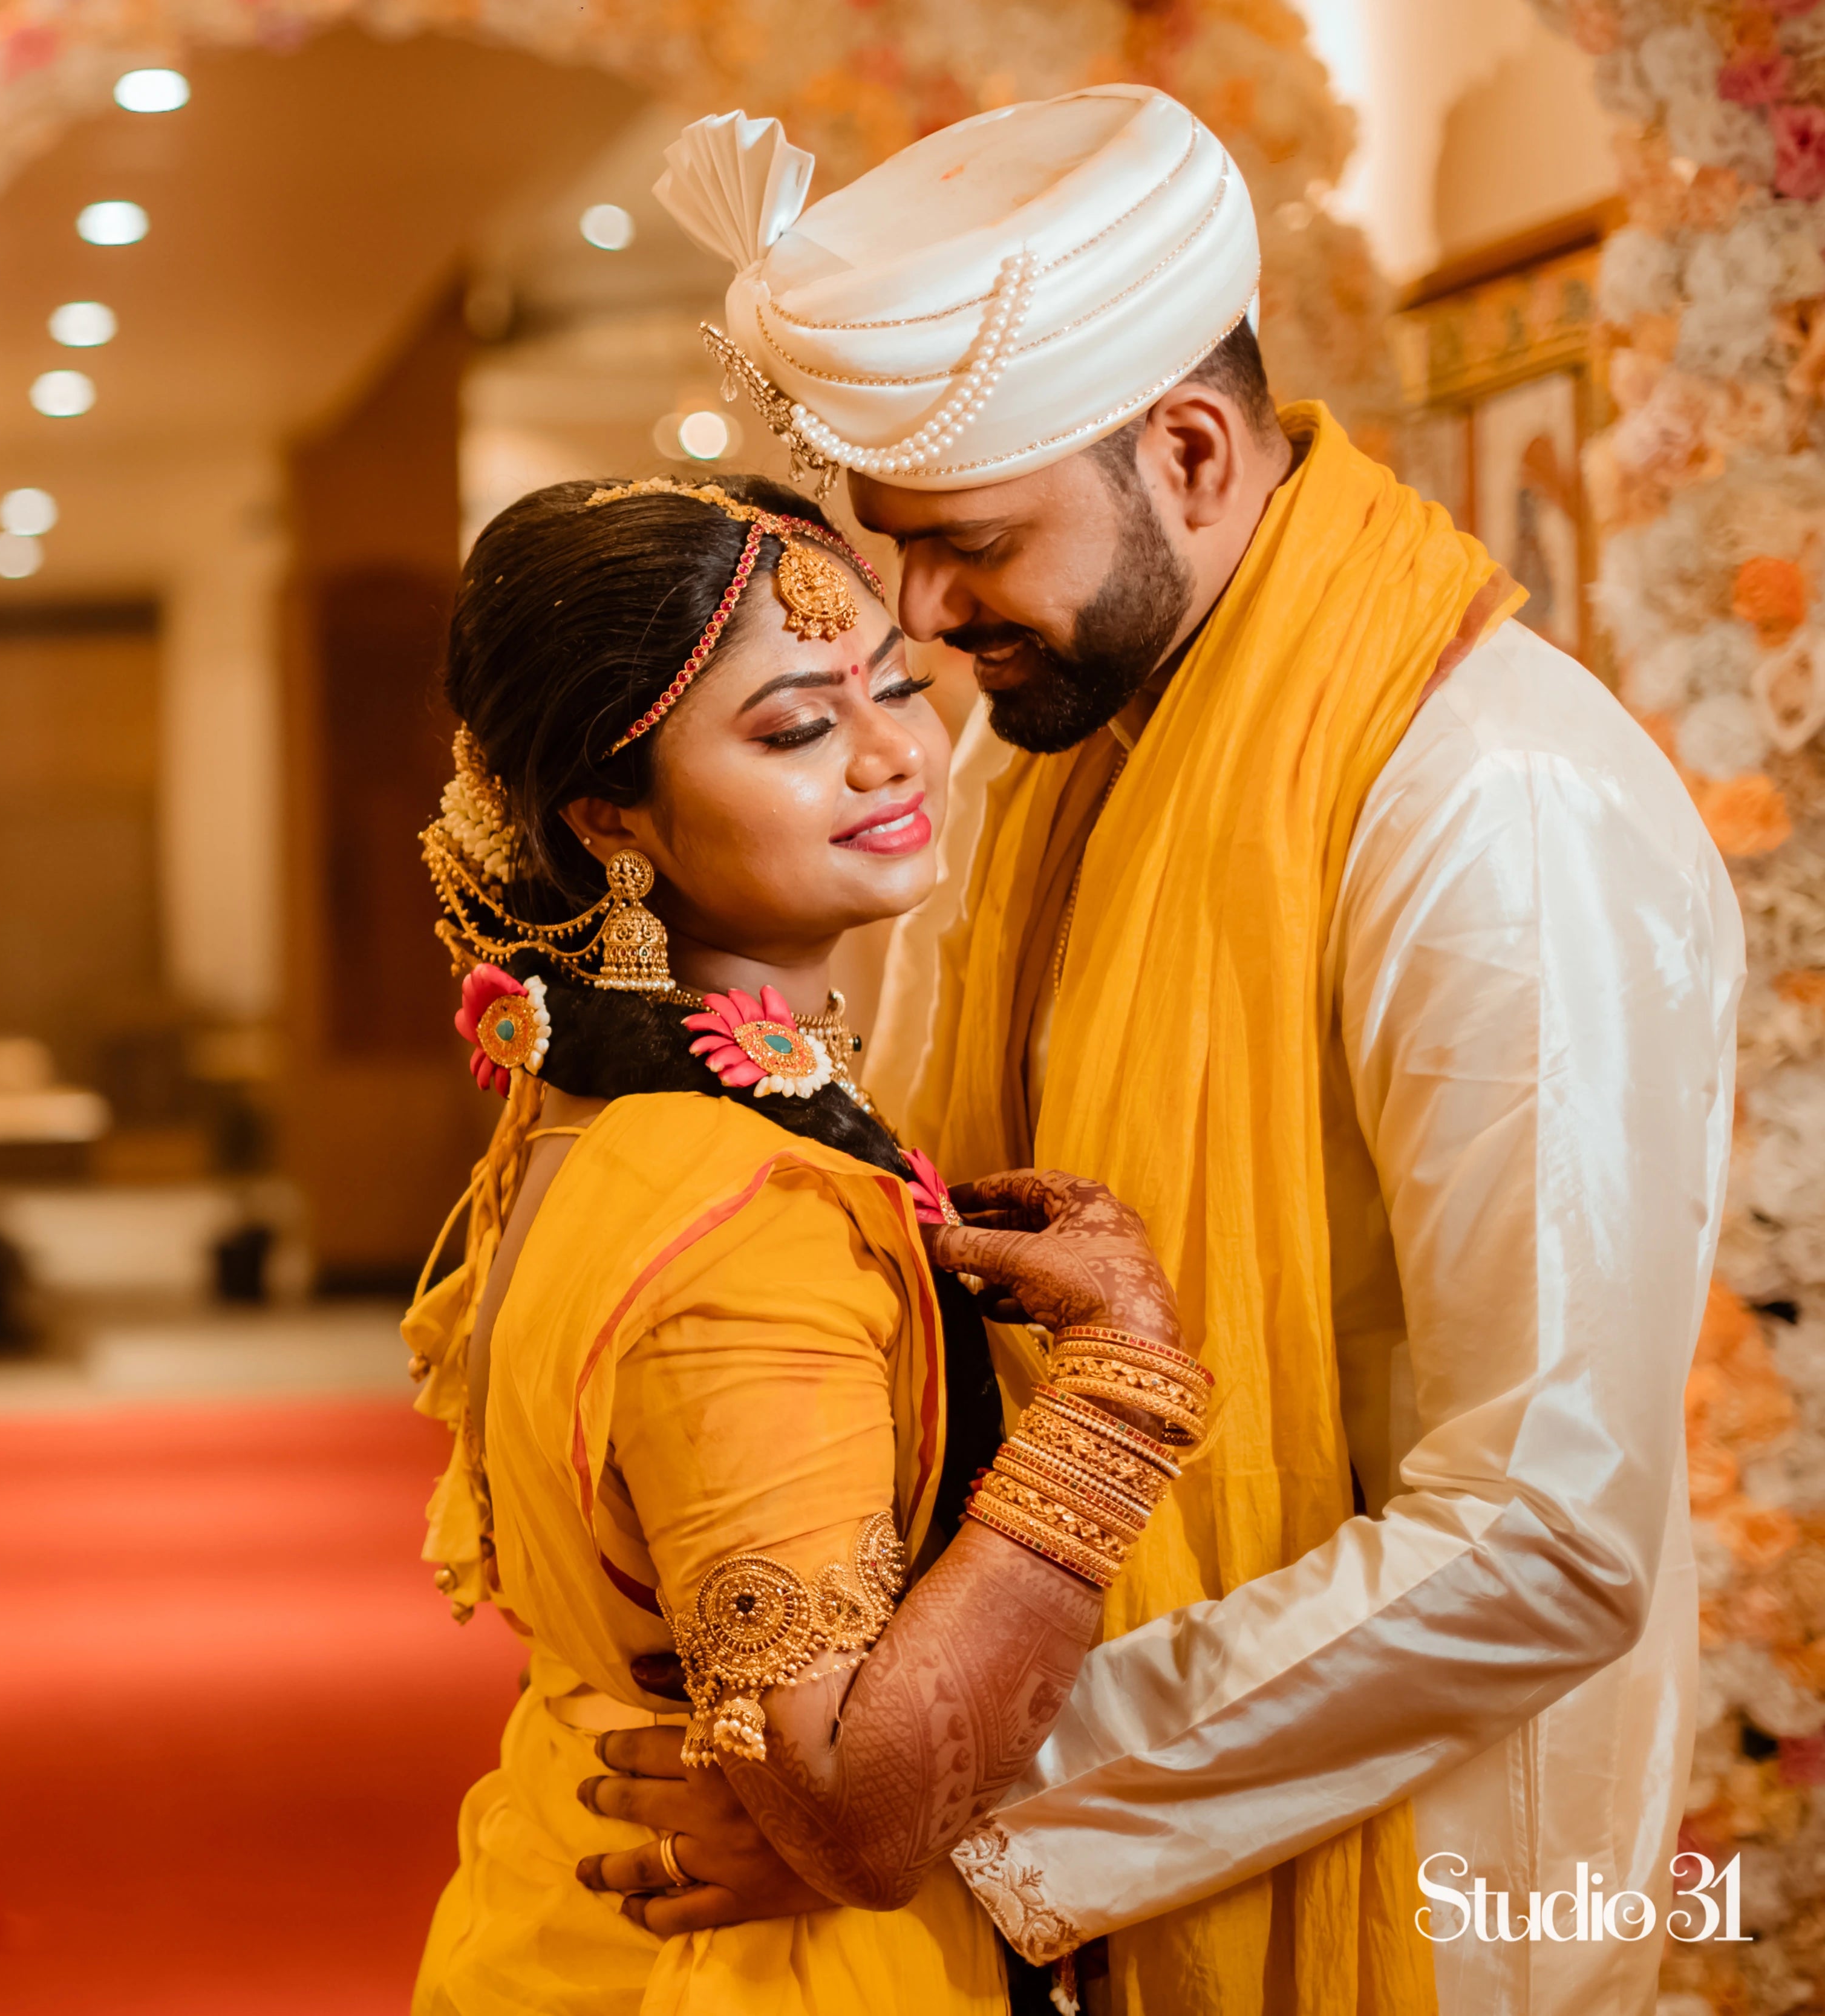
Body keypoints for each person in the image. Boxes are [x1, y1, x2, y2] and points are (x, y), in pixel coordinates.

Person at [601, 86, 1745, 2015]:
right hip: (1089, 1861)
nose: (927, 619)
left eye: (966, 543)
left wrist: (934, 1776)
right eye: (903, 548)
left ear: (1192, 450)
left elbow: (1545, 1533)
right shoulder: (1064, 746)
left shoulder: (1490, 803)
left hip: (1425, 1895)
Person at [405, 469, 1209, 2015]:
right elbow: (855, 1796)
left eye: (896, 687)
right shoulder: (744, 1214)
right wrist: (1120, 1386)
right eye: (792, 729)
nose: (894, 752)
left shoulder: (593, 1114)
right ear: (606, 816)